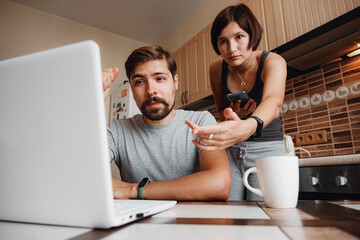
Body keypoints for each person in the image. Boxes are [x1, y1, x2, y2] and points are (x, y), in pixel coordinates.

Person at [102, 45, 231, 201]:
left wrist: (135, 190)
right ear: (132, 89)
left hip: (192, 222)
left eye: (160, 78)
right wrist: (89, 102)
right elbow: (82, 173)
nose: (151, 90)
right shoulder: (117, 130)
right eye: (140, 82)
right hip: (138, 224)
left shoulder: (201, 121)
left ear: (175, 82)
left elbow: (219, 184)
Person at [186, 3, 287, 201]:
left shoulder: (272, 61)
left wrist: (249, 125)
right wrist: (233, 118)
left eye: (239, 37)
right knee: (227, 211)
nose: (231, 49)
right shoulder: (216, 69)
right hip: (230, 151)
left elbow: (273, 101)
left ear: (252, 35)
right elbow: (221, 111)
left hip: (267, 150)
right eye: (223, 41)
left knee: (266, 215)